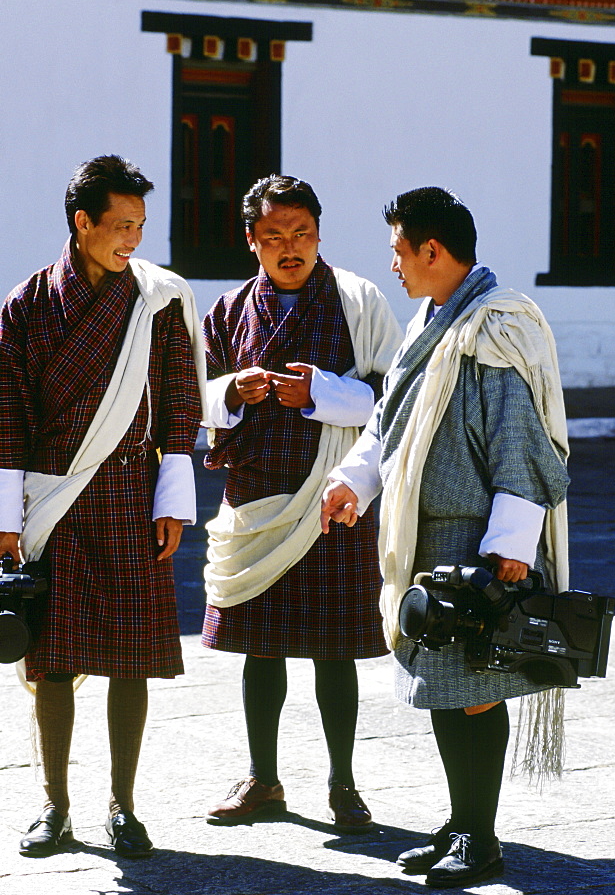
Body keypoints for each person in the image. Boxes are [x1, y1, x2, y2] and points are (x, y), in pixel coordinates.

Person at [321, 187, 570, 888]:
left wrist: (509, 552)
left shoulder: (494, 327)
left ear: (431, 249)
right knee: (442, 685)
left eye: (398, 251)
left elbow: (519, 446)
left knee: (476, 689)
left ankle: (480, 837)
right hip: (422, 539)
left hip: (479, 544)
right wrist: (352, 483)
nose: (393, 266)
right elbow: (388, 427)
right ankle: (461, 821)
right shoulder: (428, 321)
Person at [0, 155, 205, 858]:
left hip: (128, 491)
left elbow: (181, 404)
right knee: (51, 659)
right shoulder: (26, 303)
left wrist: (173, 499)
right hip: (53, 495)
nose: (132, 242)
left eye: (140, 227)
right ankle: (55, 806)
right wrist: (6, 518)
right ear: (82, 223)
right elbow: (6, 417)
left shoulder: (156, 300)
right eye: (121, 226)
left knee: (130, 660)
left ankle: (123, 805)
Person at [201, 174, 402, 831]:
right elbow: (197, 404)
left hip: (332, 499)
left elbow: (393, 399)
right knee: (261, 649)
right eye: (275, 236)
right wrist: (234, 391)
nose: (291, 248)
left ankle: (344, 785)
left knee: (332, 650)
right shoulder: (227, 312)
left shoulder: (358, 300)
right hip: (258, 498)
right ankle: (263, 780)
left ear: (319, 234)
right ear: (251, 240)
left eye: (303, 234)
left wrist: (319, 394)